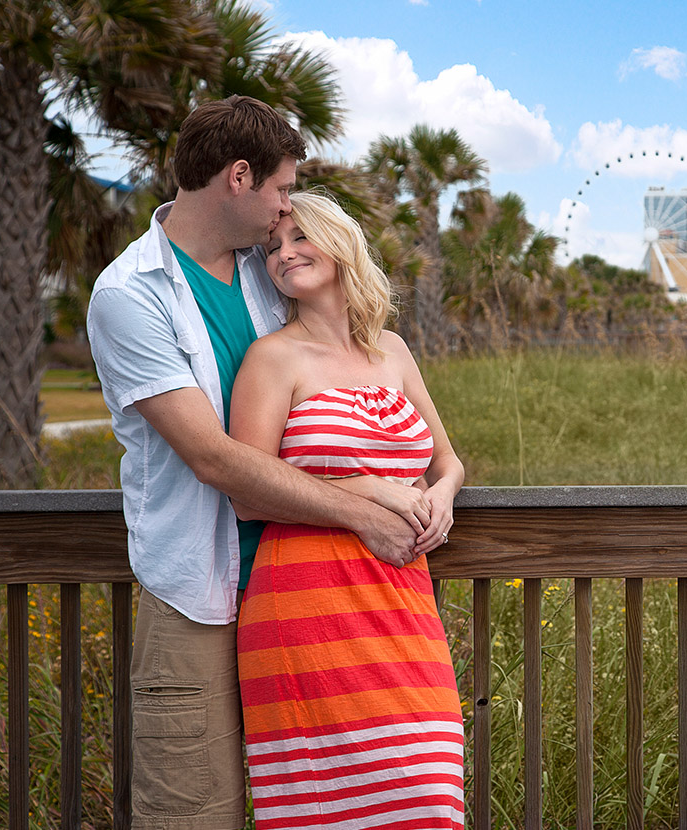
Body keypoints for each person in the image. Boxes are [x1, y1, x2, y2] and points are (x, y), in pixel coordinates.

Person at [87, 97, 418, 830]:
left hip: (301, 594)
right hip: (198, 595)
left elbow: (338, 366)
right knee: (192, 815)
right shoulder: (130, 295)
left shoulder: (269, 274)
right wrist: (368, 510)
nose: (285, 211)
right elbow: (212, 456)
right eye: (280, 189)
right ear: (239, 177)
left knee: (325, 808)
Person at [229, 191, 465, 828]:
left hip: (402, 596)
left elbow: (448, 461)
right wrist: (370, 488)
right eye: (273, 248)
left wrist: (440, 497)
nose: (285, 255)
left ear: (340, 242)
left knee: (428, 796)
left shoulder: (391, 349)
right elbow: (248, 490)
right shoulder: (272, 358)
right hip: (305, 602)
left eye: (300, 238)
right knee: (329, 808)